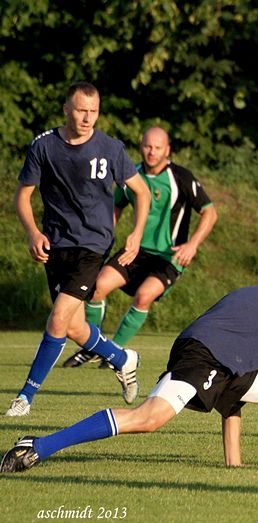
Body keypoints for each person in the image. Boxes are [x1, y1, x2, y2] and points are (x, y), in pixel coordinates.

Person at [0, 282, 258, 473]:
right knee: (149, 418)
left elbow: (232, 396)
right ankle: (38, 445)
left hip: (217, 357)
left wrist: (233, 466)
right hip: (203, 354)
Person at [6, 82, 151, 417]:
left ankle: (25, 397)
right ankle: (121, 358)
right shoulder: (44, 146)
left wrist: (136, 234)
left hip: (94, 245)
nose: (88, 118)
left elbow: (141, 193)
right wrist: (32, 233)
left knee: (57, 318)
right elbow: (23, 196)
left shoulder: (111, 148)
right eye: (82, 110)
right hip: (57, 245)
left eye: (94, 111)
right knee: (71, 327)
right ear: (66, 109)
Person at [62, 126, 218, 369]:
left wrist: (192, 244)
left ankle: (112, 352)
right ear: (140, 146)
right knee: (97, 288)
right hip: (136, 252)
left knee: (143, 296)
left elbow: (209, 212)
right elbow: (116, 206)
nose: (151, 152)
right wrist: (105, 236)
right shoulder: (131, 174)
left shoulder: (181, 178)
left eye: (157, 148)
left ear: (167, 150)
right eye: (147, 146)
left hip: (169, 256)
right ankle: (94, 347)